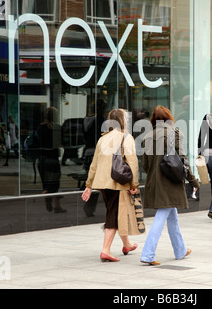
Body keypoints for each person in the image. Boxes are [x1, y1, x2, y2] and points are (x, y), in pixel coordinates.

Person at [140, 106, 199, 265]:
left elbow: (145, 166)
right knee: (161, 217)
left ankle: (180, 250)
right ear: (169, 118)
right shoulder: (175, 133)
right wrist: (193, 180)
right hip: (169, 183)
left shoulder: (147, 136)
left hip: (154, 182)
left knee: (173, 217)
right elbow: (183, 160)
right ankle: (148, 254)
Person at [82, 109, 139, 263]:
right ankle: (105, 250)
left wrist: (89, 185)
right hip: (117, 182)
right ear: (123, 121)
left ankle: (126, 244)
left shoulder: (103, 139)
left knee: (115, 210)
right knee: (113, 214)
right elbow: (132, 162)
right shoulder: (126, 137)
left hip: (102, 182)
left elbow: (94, 164)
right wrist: (134, 184)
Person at [35, 107, 66, 214]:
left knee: (46, 182)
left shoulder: (40, 127)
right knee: (54, 183)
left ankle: (52, 202)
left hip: (42, 159)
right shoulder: (57, 127)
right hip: (52, 159)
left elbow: (36, 142)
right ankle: (49, 195)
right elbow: (59, 143)